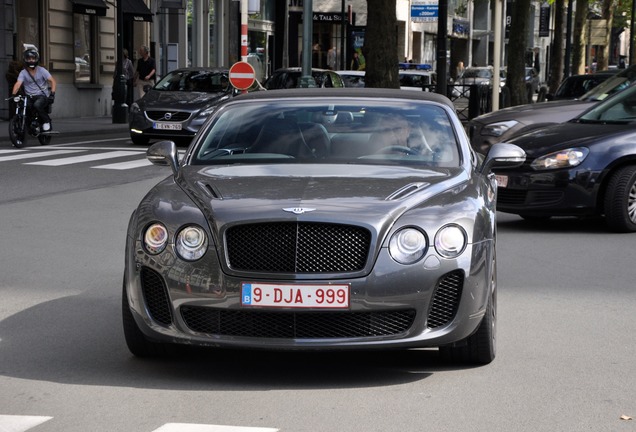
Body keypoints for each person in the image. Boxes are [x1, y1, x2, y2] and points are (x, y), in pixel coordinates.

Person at [11, 47, 56, 132]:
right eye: (29, 58)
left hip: (41, 96)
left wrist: (52, 94)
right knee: (23, 106)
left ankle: (46, 121)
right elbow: (18, 84)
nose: (31, 60)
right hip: (29, 96)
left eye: (33, 58)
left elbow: (53, 81)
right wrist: (13, 95)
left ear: (36, 59)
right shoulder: (23, 73)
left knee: (37, 105)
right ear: (25, 60)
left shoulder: (42, 70)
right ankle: (29, 124)